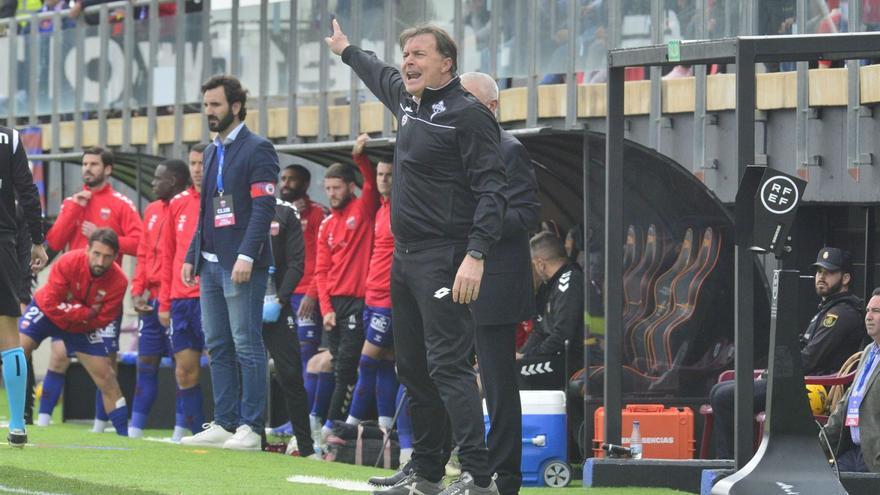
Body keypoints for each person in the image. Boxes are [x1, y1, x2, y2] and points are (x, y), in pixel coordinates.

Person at [327, 21, 507, 495]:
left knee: (449, 366)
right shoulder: (408, 101)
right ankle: (427, 472)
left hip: (445, 257)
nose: (408, 60)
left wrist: (476, 254)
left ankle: (479, 477)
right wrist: (346, 48)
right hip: (404, 260)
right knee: (412, 368)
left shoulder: (469, 116)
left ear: (446, 63)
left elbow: (493, 189)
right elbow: (377, 71)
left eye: (419, 54)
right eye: (406, 52)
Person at [180, 75, 279, 451]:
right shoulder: (210, 152)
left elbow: (263, 207)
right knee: (217, 344)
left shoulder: (259, 148)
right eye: (206, 105)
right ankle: (224, 421)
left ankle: (251, 428)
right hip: (209, 261)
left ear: (235, 106)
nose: (209, 112)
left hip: (241, 263)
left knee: (246, 344)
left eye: (216, 105)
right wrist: (193, 254)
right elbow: (206, 208)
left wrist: (246, 255)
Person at [462, 71, 540, 495]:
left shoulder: (510, 150)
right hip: (453, 281)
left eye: (470, 102)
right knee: (449, 375)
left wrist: (476, 227)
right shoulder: (454, 150)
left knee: (497, 382)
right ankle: (466, 464)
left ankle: (504, 476)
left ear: (492, 108)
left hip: (495, 283)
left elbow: (526, 214)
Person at [710, 247, 865, 458]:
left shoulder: (841, 314)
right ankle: (731, 461)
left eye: (828, 273)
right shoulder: (828, 308)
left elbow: (808, 360)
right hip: (800, 382)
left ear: (845, 278)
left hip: (814, 389)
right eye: (819, 272)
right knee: (719, 390)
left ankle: (731, 464)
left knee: (725, 397)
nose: (821, 277)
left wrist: (772, 372)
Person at [43, 146, 142, 432]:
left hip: (104, 293)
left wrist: (102, 238)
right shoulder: (72, 202)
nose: (87, 168)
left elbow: (139, 242)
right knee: (59, 355)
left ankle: (101, 425)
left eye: (94, 164)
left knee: (106, 363)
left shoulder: (121, 203)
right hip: (70, 292)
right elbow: (55, 240)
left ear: (107, 169)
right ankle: (43, 421)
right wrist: (73, 207)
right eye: (84, 163)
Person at [19, 229, 129, 437]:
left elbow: (104, 318)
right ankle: (23, 418)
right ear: (87, 249)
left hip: (82, 328)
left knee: (107, 376)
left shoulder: (120, 281)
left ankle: (125, 437)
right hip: (45, 313)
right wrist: (85, 312)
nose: (100, 261)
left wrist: (74, 313)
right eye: (96, 253)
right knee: (16, 352)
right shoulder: (68, 261)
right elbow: (51, 303)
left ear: (115, 257)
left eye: (107, 256)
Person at [315, 134, 380, 439]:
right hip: (334, 306)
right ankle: (327, 424)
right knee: (336, 366)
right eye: (327, 189)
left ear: (349, 187)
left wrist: (360, 158)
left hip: (358, 303)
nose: (332, 194)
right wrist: (326, 309)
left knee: (346, 367)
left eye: (336, 188)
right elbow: (321, 270)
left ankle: (333, 427)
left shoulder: (363, 209)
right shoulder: (327, 224)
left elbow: (371, 182)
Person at [128, 159, 189, 438]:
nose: (153, 183)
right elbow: (143, 253)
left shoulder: (186, 208)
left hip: (176, 299)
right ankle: (135, 429)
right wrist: (137, 289)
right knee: (146, 363)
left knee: (182, 367)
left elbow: (173, 259)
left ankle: (181, 430)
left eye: (158, 178)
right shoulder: (152, 210)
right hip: (150, 301)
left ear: (174, 181)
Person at [0, 125, 47, 448]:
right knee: (8, 332)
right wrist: (38, 241)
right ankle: (17, 424)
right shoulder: (10, 138)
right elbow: (28, 192)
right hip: (3, 241)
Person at [261, 192, 316, 458]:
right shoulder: (231, 206)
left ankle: (306, 447)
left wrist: (281, 299)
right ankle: (254, 439)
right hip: (244, 305)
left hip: (277, 307)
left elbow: (297, 263)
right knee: (246, 373)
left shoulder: (285, 212)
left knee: (290, 374)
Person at [158, 144, 206, 442]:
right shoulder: (177, 203)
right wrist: (164, 301)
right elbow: (168, 255)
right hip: (180, 301)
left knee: (225, 364)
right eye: (193, 163)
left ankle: (237, 427)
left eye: (202, 162)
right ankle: (198, 430)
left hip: (211, 298)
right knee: (184, 371)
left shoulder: (221, 199)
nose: (198, 168)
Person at [345, 151, 396, 430]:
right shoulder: (380, 208)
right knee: (386, 360)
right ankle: (385, 424)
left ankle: (351, 423)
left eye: (389, 174)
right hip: (370, 295)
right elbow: (366, 181)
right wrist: (360, 158)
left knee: (366, 360)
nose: (384, 180)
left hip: (388, 298)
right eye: (380, 174)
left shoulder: (400, 209)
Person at [277, 163, 328, 438]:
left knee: (306, 355)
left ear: (305, 184)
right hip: (282, 294)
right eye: (283, 178)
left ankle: (306, 420)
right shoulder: (276, 211)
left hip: (308, 294)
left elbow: (322, 256)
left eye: (292, 180)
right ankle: (291, 419)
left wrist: (312, 291)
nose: (285, 183)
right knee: (287, 359)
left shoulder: (319, 213)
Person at [822, 287, 880, 473]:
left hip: (873, 458)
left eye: (876, 311)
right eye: (868, 311)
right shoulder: (869, 352)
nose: (868, 316)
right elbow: (847, 402)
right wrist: (817, 447)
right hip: (852, 451)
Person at [518, 231, 584, 390]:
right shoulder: (548, 287)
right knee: (501, 368)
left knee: (512, 372)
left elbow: (562, 334)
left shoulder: (569, 280)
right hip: (556, 356)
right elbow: (540, 331)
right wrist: (522, 354)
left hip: (575, 359)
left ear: (540, 263)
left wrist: (527, 357)